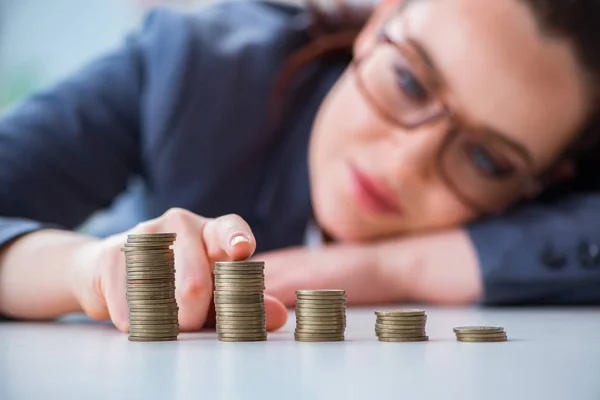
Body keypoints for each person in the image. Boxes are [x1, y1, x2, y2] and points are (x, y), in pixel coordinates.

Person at [0, 0, 599, 334]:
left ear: (549, 178)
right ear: (377, 21)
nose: (404, 162)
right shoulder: (186, 67)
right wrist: (82, 268)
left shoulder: (554, 186)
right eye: (410, 80)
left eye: (484, 158)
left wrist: (395, 269)